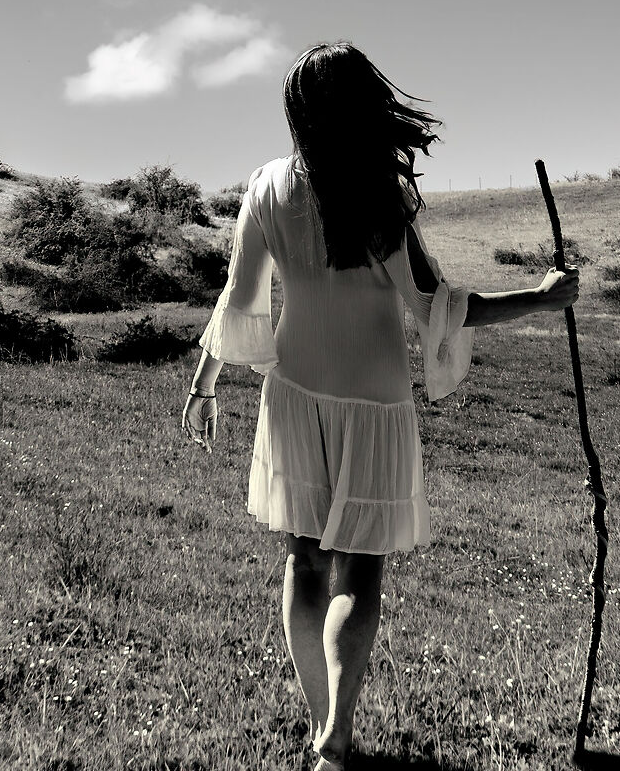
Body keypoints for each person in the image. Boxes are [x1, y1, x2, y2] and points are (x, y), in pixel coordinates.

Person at [182, 42, 580, 770]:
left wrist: (204, 383)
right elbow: (437, 308)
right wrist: (542, 297)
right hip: (374, 398)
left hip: (294, 391)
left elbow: (238, 299)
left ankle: (320, 728)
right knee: (358, 567)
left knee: (304, 563)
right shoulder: (380, 196)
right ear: (367, 107)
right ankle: (336, 734)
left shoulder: (268, 184)